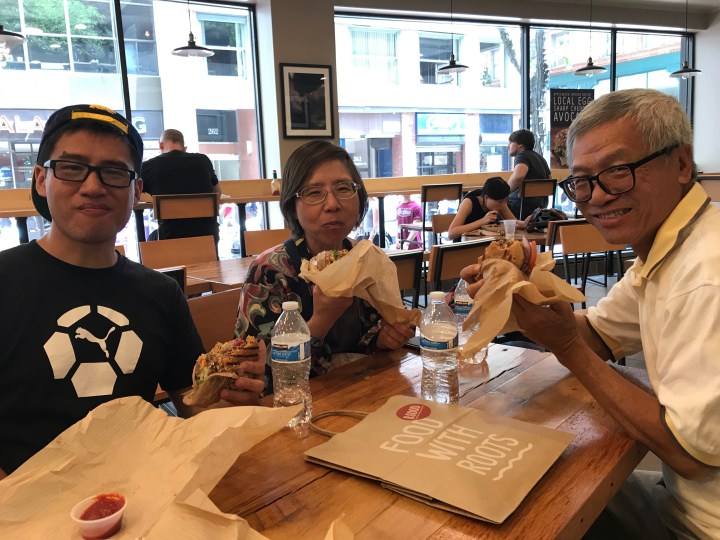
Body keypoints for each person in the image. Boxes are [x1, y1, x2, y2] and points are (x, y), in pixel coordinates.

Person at [461, 89, 719, 539]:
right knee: (525, 484)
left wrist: (567, 349)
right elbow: (597, 334)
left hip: (698, 525)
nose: (596, 196)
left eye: (618, 171)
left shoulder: (705, 275)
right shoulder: (671, 249)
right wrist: (514, 304)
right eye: (582, 180)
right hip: (675, 498)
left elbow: (688, 454)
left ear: (681, 163)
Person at [0, 105, 264, 478]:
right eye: (72, 168)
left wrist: (231, 396)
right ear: (42, 179)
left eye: (114, 172)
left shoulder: (161, 293)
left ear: (137, 191)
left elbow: (192, 404)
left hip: (141, 489)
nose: (93, 187)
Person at [235, 140, 415, 391]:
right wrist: (321, 320)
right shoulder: (269, 272)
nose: (332, 204)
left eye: (343, 188)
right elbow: (253, 377)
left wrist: (382, 340)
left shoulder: (366, 260)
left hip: (365, 392)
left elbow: (365, 341)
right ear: (292, 206)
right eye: (314, 192)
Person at [140, 128, 221, 242]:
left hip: (170, 240)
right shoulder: (204, 161)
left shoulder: (149, 167)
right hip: (207, 239)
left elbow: (135, 194)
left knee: (151, 238)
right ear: (184, 148)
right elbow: (217, 192)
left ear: (161, 145)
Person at [447, 176, 530, 241]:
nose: (503, 204)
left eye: (505, 200)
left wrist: (525, 223)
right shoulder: (469, 203)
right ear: (486, 197)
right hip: (464, 246)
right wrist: (482, 221)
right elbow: (451, 233)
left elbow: (512, 222)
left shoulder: (500, 203)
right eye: (500, 201)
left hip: (485, 243)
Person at [506, 129, 551, 219]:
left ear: (520, 145)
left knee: (494, 205)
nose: (508, 147)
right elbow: (549, 179)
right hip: (540, 207)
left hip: (521, 206)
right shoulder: (540, 158)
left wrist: (505, 192)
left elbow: (519, 176)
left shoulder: (521, 156)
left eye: (510, 143)